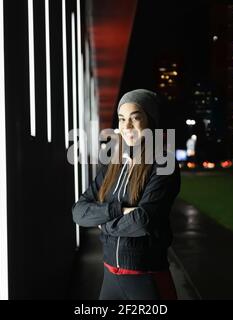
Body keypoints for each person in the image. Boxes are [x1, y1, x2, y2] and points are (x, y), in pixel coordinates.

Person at [72, 89, 181, 300]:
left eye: (135, 118)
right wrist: (118, 210)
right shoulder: (113, 164)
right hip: (110, 277)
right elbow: (79, 212)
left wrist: (103, 224)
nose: (127, 126)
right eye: (122, 119)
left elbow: (142, 221)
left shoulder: (163, 163)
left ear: (150, 121)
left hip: (146, 278)